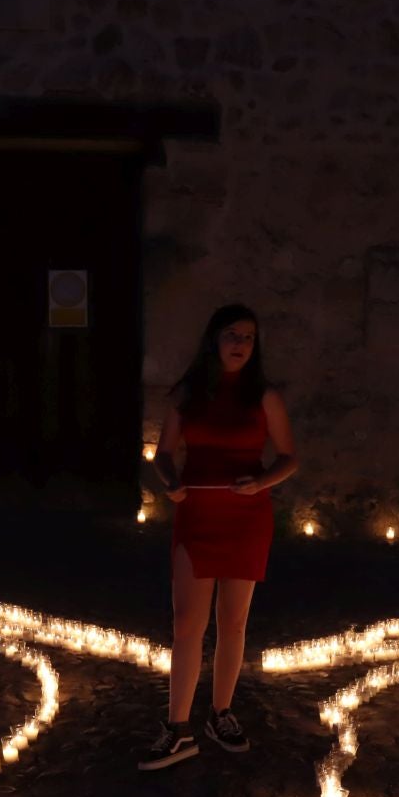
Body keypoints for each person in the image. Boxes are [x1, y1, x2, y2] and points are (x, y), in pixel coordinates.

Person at [141, 304, 299, 770]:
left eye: (249, 337)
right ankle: (177, 729)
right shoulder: (187, 394)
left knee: (233, 623)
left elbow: (289, 457)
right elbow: (162, 453)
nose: (240, 344)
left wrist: (261, 482)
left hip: (246, 518)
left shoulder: (264, 396)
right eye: (232, 334)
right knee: (188, 623)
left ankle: (221, 713)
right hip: (199, 516)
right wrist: (169, 482)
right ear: (214, 338)